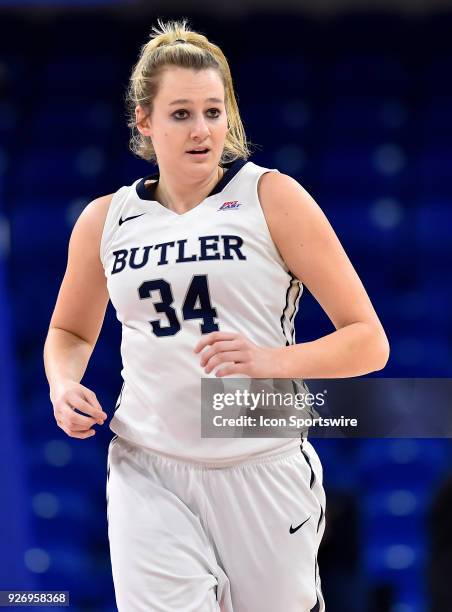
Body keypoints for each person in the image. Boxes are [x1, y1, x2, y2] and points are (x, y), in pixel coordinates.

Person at [43, 18, 389, 612]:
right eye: (180, 113)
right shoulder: (105, 219)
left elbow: (369, 342)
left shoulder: (271, 197)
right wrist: (62, 382)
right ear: (144, 122)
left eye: (212, 110)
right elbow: (69, 330)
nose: (201, 129)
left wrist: (268, 360)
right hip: (146, 466)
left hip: (259, 460)